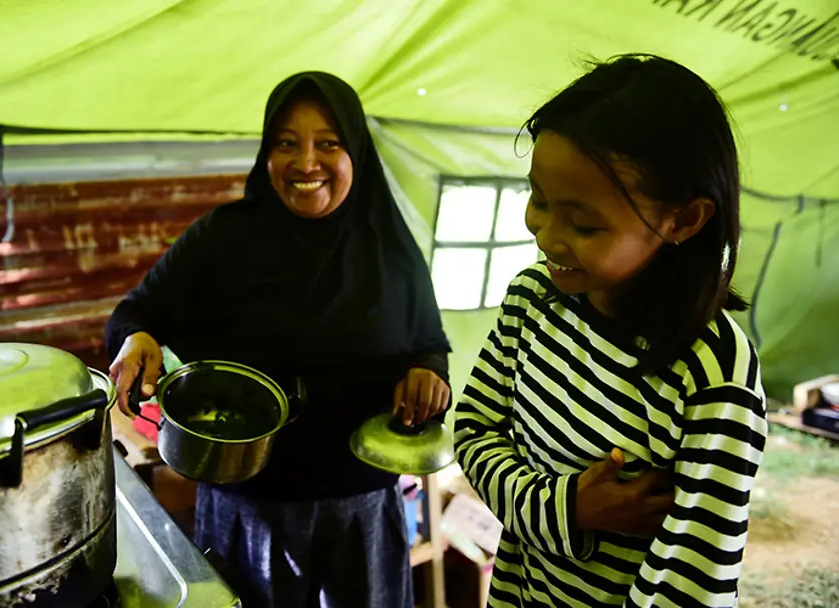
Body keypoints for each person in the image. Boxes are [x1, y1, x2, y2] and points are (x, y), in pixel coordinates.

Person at [105, 71, 451, 607]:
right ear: (266, 153)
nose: (306, 162)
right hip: (246, 507)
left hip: (359, 504)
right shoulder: (223, 238)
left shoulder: (390, 250)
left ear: (356, 152)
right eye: (286, 143)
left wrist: (428, 373)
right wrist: (136, 339)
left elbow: (428, 342)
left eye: (328, 144)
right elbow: (135, 312)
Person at [454, 54, 767, 607]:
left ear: (682, 220)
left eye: (583, 223)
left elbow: (692, 585)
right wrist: (566, 509)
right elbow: (474, 432)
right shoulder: (532, 299)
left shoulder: (713, 376)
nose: (546, 236)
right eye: (539, 200)